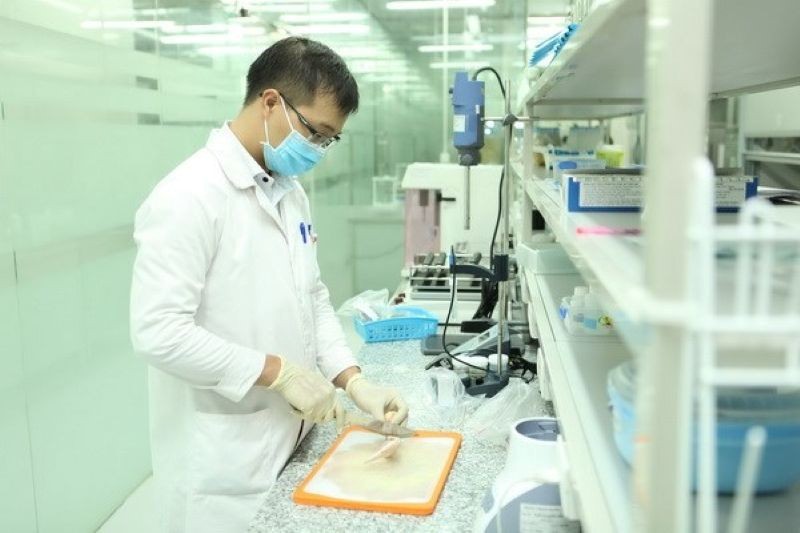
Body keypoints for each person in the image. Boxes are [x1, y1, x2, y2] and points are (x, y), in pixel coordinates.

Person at [129, 37, 408, 533]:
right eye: (315, 133)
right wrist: (278, 372)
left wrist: (353, 380)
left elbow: (311, 296)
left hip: (291, 440)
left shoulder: (289, 192)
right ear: (271, 102)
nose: (318, 150)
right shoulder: (188, 196)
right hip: (224, 465)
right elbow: (158, 334)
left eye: (330, 140)